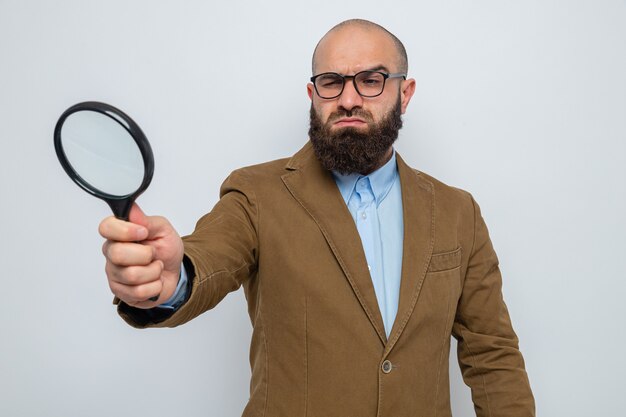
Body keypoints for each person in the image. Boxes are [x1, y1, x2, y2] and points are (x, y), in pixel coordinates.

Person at [99, 19, 535, 417]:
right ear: (313, 95)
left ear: (405, 92)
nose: (348, 99)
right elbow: (210, 257)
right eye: (331, 82)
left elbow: (492, 354)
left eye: (371, 80)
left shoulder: (458, 211)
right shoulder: (257, 193)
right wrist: (173, 279)